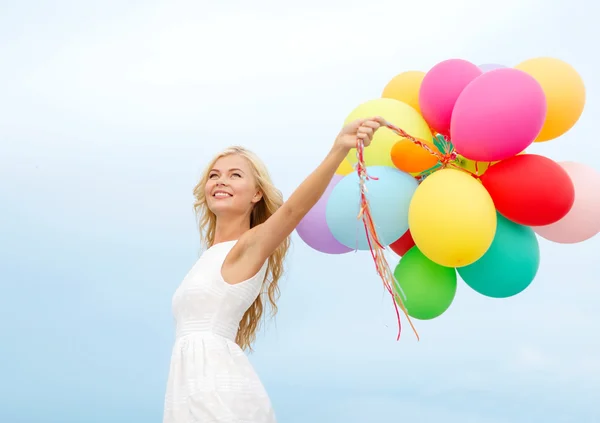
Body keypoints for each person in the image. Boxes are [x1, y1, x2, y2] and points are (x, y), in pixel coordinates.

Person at [162, 116, 385, 422]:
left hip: (218, 395)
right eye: (214, 175)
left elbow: (293, 210)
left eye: (235, 175)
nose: (221, 181)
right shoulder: (208, 259)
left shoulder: (248, 246)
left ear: (256, 194)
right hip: (191, 390)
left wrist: (338, 149)